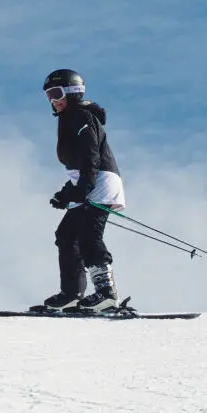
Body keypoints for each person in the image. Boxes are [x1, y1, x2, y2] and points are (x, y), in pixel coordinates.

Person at [37, 69, 126, 312]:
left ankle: (106, 294)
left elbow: (90, 156)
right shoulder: (69, 118)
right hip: (88, 181)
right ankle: (72, 294)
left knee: (88, 236)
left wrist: (83, 188)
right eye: (48, 96)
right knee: (66, 234)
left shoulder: (80, 116)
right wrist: (68, 192)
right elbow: (79, 165)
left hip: (99, 181)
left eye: (56, 93)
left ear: (73, 92)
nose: (53, 100)